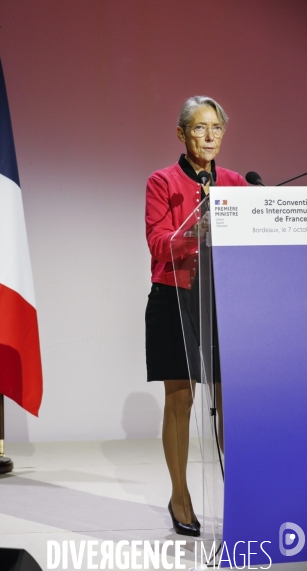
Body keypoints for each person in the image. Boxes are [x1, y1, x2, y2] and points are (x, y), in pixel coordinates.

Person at [145, 95, 247, 537]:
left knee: (231, 401)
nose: (210, 137)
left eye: (217, 128)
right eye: (201, 128)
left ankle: (241, 496)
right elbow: (157, 242)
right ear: (182, 134)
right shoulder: (161, 181)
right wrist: (195, 227)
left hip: (224, 297)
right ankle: (180, 495)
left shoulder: (237, 182)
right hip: (176, 296)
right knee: (181, 399)